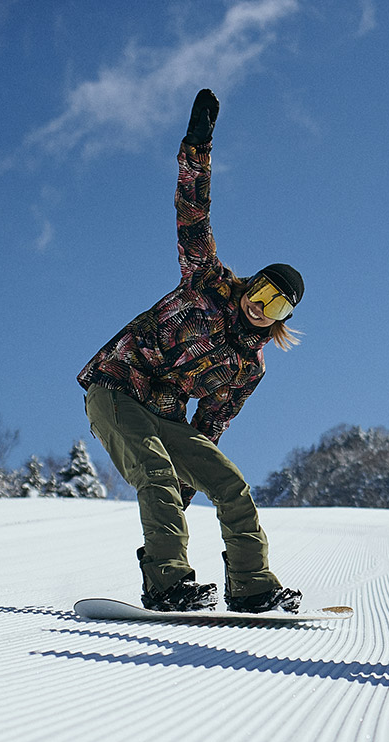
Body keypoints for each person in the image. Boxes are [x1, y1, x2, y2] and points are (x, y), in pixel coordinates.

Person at [78, 89, 304, 613]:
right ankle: (165, 581)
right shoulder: (206, 280)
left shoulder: (248, 368)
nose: (261, 307)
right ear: (251, 283)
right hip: (115, 387)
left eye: (276, 308)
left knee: (231, 483)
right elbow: (191, 210)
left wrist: (187, 488)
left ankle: (251, 586)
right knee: (154, 470)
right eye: (263, 292)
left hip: (168, 417)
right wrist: (197, 148)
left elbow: (210, 428)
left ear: (281, 322)